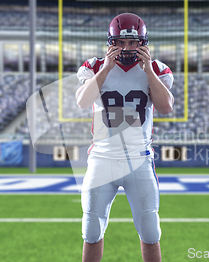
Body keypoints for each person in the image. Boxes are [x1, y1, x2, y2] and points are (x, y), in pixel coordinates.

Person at [75, 13, 174, 262]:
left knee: (151, 230)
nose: (126, 48)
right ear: (111, 42)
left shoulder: (157, 69)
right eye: (120, 42)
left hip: (139, 159)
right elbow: (82, 102)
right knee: (91, 229)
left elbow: (165, 107)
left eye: (132, 43)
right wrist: (107, 69)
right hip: (102, 158)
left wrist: (148, 71)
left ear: (143, 43)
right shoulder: (95, 67)